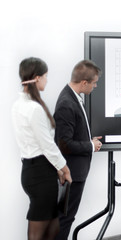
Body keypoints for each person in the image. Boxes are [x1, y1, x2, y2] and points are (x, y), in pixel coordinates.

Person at [12, 57, 72, 240]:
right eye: (45, 76)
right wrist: (64, 169)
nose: (47, 80)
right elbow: (47, 145)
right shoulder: (34, 108)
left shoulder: (18, 105)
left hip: (32, 171)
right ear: (37, 78)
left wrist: (56, 168)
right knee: (39, 233)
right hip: (40, 175)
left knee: (52, 228)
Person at [54, 60, 102, 240]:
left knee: (65, 217)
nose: (95, 86)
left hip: (74, 171)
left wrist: (89, 140)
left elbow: (72, 134)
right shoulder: (67, 102)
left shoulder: (72, 96)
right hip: (71, 173)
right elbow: (64, 143)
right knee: (65, 219)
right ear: (84, 83)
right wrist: (90, 145)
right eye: (94, 82)